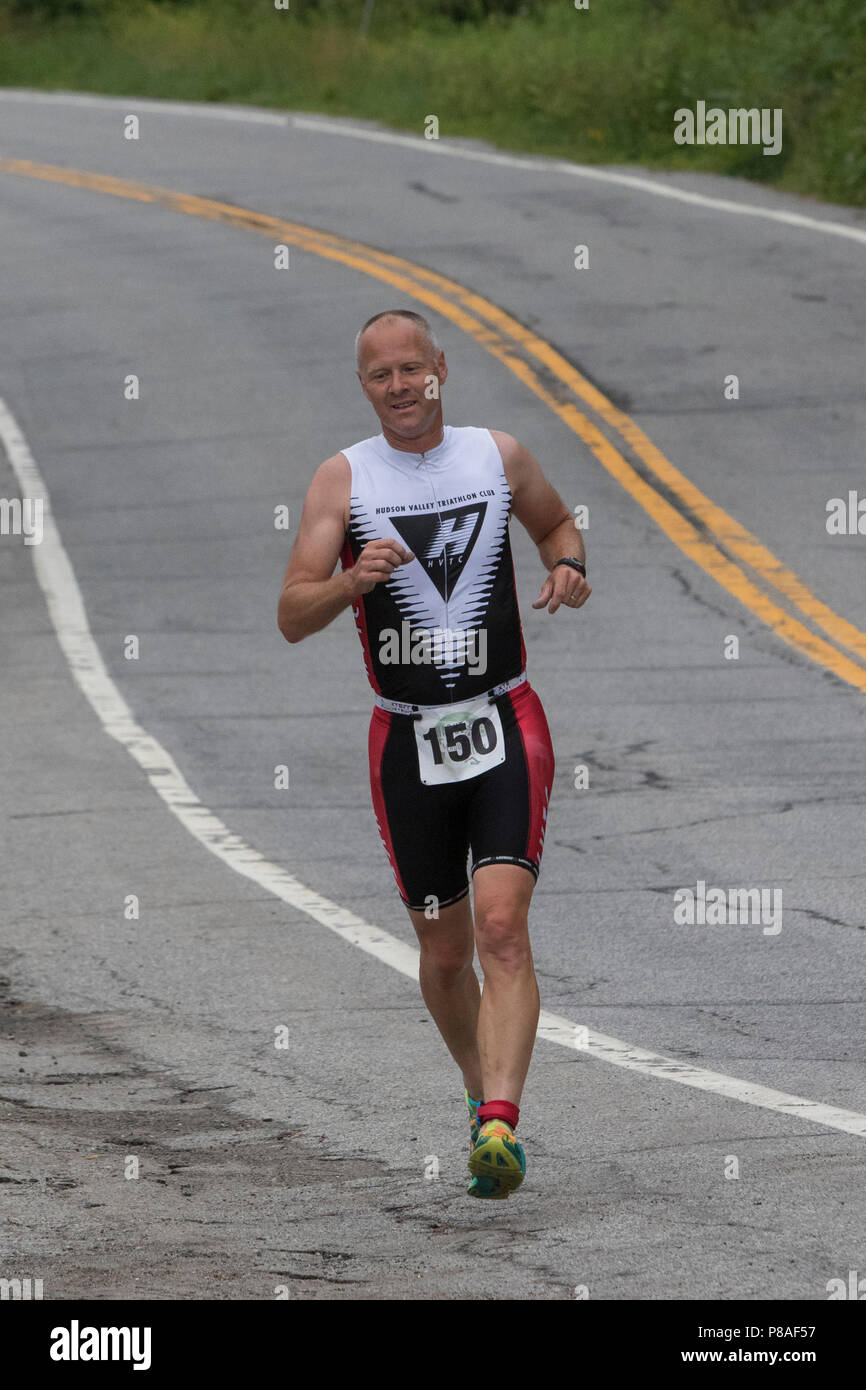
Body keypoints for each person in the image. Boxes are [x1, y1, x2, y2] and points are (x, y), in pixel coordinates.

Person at [278, 309, 591, 1198]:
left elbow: (557, 526)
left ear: (441, 369)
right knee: (446, 952)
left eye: (414, 369)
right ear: (365, 387)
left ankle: (501, 1121)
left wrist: (570, 564)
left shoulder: (497, 455)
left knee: (501, 927)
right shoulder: (343, 480)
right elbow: (291, 614)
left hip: (503, 722)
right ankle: (473, 1087)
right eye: (383, 376)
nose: (402, 387)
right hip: (406, 740)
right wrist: (350, 581)